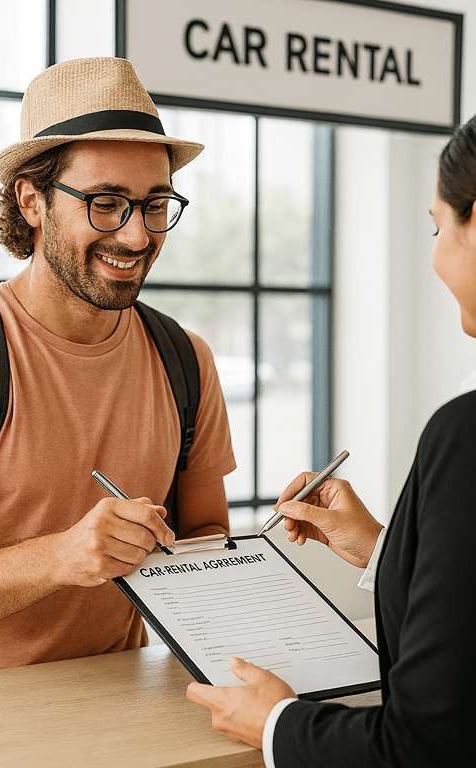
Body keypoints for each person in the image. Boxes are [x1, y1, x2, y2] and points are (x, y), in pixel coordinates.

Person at [187, 115, 476, 766]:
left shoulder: (465, 432)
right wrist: (383, 548)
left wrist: (277, 725)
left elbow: (424, 746)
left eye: (437, 227)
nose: (434, 253)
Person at [0, 57, 235, 673]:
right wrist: (64, 556)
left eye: (155, 204)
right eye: (106, 203)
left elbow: (203, 537)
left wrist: (256, 554)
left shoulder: (186, 359)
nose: (137, 237)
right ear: (32, 202)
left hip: (124, 701)